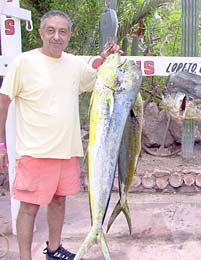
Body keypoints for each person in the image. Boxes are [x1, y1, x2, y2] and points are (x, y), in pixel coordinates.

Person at [0, 10, 120, 260]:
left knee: (58, 201)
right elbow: (3, 103)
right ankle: (25, 257)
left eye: (62, 31)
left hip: (67, 151)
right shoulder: (23, 62)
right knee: (29, 207)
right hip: (35, 151)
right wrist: (1, 143)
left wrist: (106, 58)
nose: (56, 36)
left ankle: (53, 250)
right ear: (41, 32)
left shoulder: (74, 63)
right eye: (51, 30)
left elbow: (95, 77)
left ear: (70, 35)